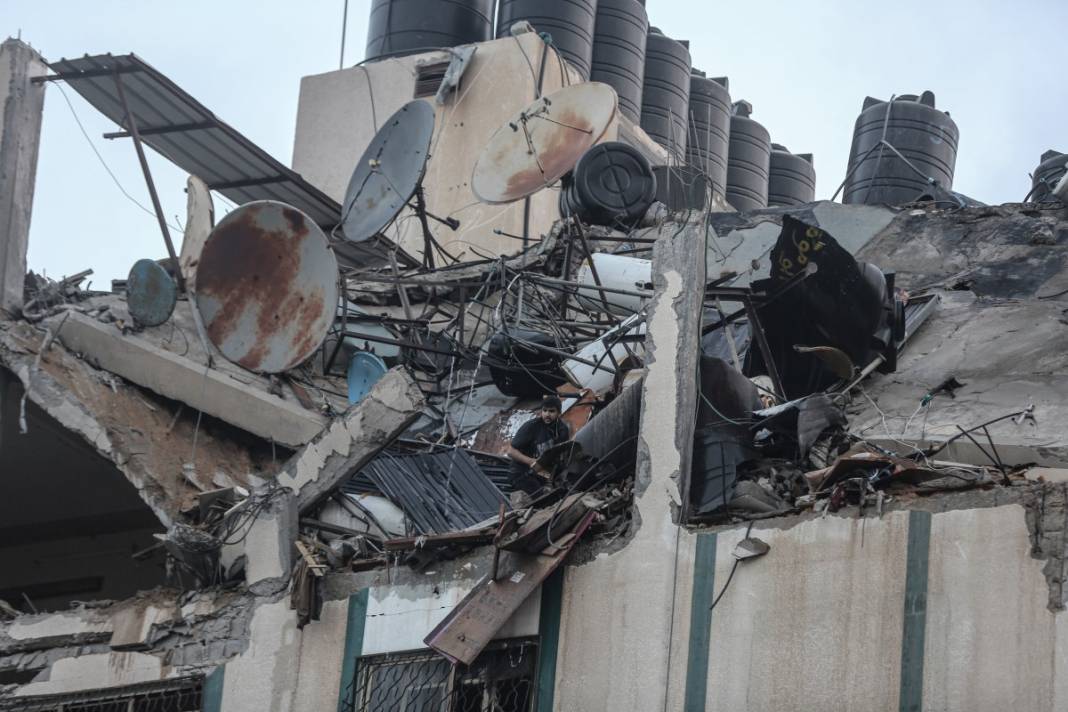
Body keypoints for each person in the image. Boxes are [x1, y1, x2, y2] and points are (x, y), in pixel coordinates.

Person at [507, 395, 571, 495]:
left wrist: (550, 481)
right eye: (544, 410)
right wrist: (531, 462)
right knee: (541, 496)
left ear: (559, 412)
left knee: (562, 492)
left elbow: (558, 458)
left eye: (551, 411)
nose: (547, 414)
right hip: (521, 472)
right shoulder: (531, 427)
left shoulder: (562, 430)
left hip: (542, 472)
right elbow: (510, 451)